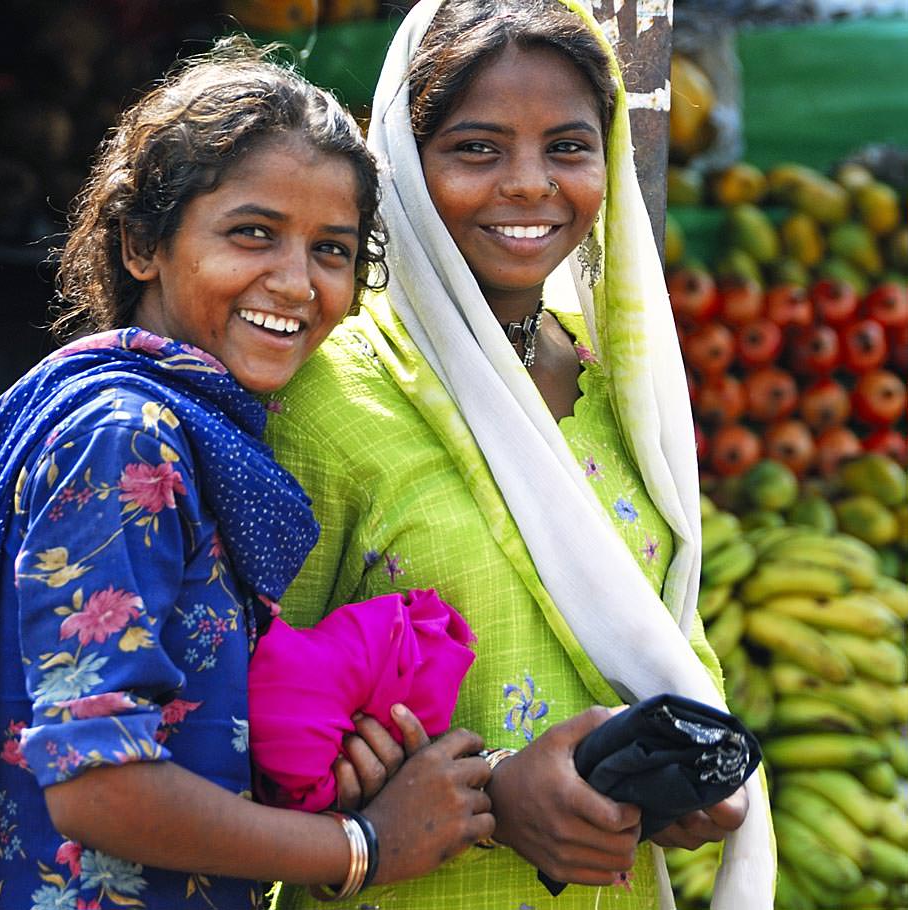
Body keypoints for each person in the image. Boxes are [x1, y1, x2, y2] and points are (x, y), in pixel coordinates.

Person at [265, 1, 775, 908]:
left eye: (568, 147)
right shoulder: (324, 399)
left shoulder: (620, 390)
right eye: (477, 149)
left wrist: (687, 767)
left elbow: (670, 639)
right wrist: (495, 793)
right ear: (402, 163)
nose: (531, 185)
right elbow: (239, 721)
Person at [0, 37, 495, 910]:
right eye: (253, 234)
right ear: (142, 244)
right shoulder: (129, 439)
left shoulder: (191, 434)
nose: (297, 284)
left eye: (332, 250)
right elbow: (97, 785)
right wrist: (365, 846)